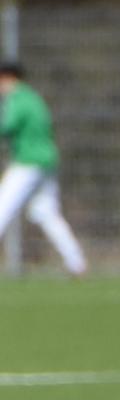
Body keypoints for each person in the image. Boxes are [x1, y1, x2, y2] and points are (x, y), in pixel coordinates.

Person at [0, 62, 88, 276]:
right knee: (46, 213)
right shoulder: (33, 97)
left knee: (2, 207)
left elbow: (5, 126)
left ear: (8, 78)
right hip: (47, 162)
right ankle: (76, 263)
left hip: (29, 162)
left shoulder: (18, 99)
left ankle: (76, 262)